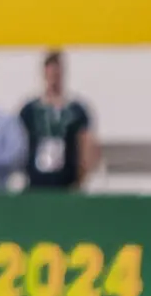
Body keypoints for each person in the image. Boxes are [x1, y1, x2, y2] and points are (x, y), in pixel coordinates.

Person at [19, 50, 97, 191]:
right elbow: (20, 142)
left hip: (66, 182)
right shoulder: (30, 110)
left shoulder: (76, 110)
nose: (54, 77)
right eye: (51, 73)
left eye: (57, 73)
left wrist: (82, 177)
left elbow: (86, 142)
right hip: (37, 181)